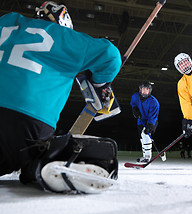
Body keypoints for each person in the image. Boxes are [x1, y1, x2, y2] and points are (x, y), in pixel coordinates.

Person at [0, 1, 122, 192]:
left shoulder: (7, 21)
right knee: (32, 155)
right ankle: (43, 166)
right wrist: (99, 84)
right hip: (29, 124)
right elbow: (110, 54)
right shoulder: (63, 36)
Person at [130, 82, 160, 163]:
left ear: (149, 91)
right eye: (143, 89)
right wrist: (135, 109)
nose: (144, 91)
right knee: (142, 138)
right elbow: (133, 104)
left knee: (145, 134)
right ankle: (144, 156)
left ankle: (148, 156)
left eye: (146, 89)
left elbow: (153, 116)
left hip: (151, 121)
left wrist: (150, 125)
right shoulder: (135, 96)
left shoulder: (154, 102)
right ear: (140, 89)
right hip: (140, 120)